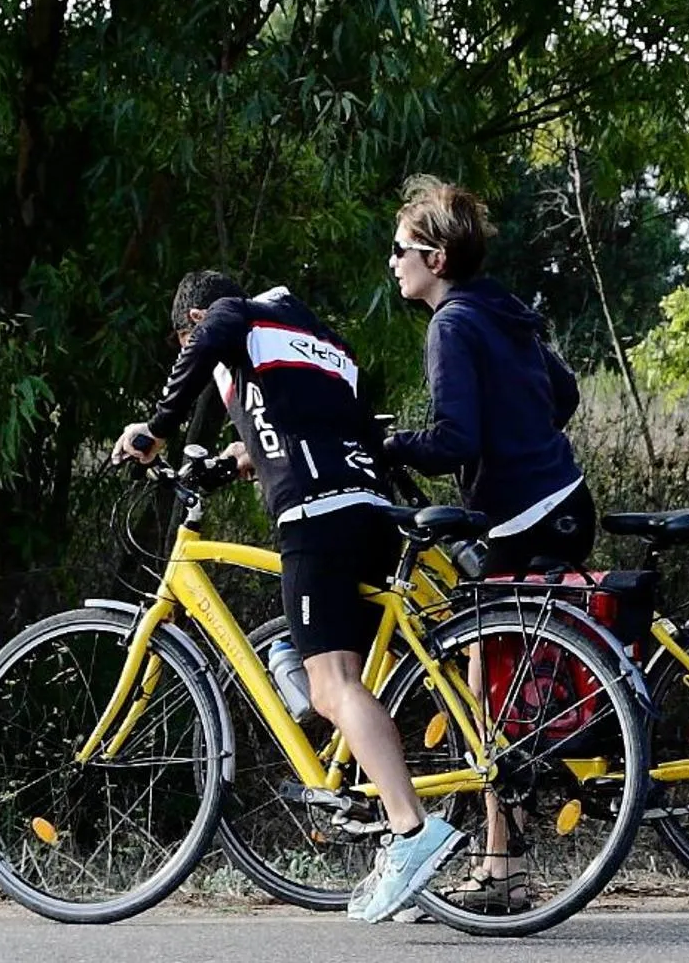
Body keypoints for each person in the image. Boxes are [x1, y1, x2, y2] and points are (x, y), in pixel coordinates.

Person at [113, 269, 464, 924]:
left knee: (332, 686)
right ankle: (403, 849)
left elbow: (217, 330)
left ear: (192, 324)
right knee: (329, 672)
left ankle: (413, 831)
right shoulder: (312, 339)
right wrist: (219, 462)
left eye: (186, 339)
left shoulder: (230, 319)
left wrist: (156, 427)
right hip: (369, 508)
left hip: (316, 516)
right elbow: (286, 430)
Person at [380, 175, 594, 915]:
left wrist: (386, 444)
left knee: (488, 692)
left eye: (401, 251)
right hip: (561, 502)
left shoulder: (452, 325)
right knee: (497, 680)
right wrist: (522, 435)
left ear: (435, 258)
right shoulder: (505, 310)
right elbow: (562, 397)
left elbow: (452, 441)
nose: (393, 263)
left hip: (525, 518)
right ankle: (503, 858)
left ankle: (503, 864)